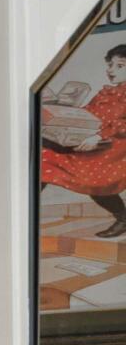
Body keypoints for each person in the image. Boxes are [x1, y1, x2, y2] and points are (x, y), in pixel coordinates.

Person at [42, 43, 126, 238]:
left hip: (113, 151)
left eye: (120, 66)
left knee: (97, 185)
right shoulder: (106, 92)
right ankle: (25, 210)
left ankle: (123, 218)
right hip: (89, 143)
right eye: (110, 64)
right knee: (43, 156)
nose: (111, 70)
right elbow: (89, 115)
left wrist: (99, 136)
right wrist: (64, 112)